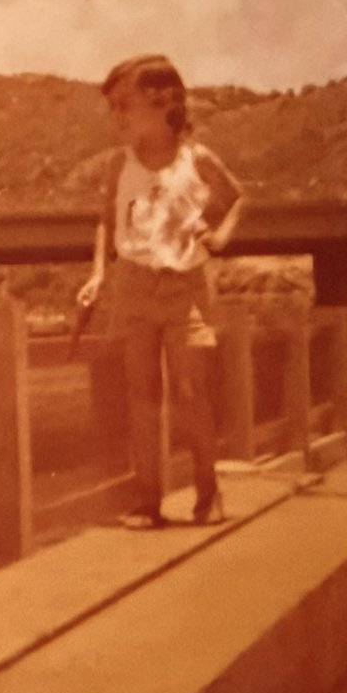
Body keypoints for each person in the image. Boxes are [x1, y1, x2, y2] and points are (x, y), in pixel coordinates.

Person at [77, 55, 243, 527]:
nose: (118, 119)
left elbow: (238, 197)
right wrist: (96, 275)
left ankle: (207, 493)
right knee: (141, 395)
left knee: (190, 392)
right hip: (132, 284)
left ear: (163, 104)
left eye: (125, 107)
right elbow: (107, 225)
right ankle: (147, 500)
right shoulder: (118, 165)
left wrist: (222, 235)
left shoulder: (198, 160)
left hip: (184, 288)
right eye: (113, 109)